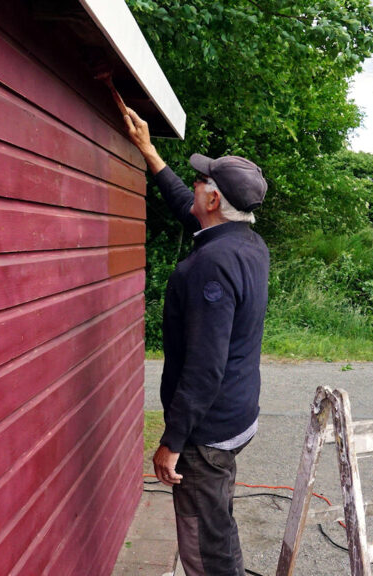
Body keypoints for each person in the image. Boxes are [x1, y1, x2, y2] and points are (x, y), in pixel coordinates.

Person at [124, 108, 269, 576]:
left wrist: (173, 442)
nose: (198, 183)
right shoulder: (245, 243)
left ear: (213, 197)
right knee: (215, 515)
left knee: (204, 540)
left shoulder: (209, 266)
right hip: (237, 417)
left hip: (207, 434)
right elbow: (188, 207)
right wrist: (149, 152)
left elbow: (205, 367)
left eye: (203, 180)